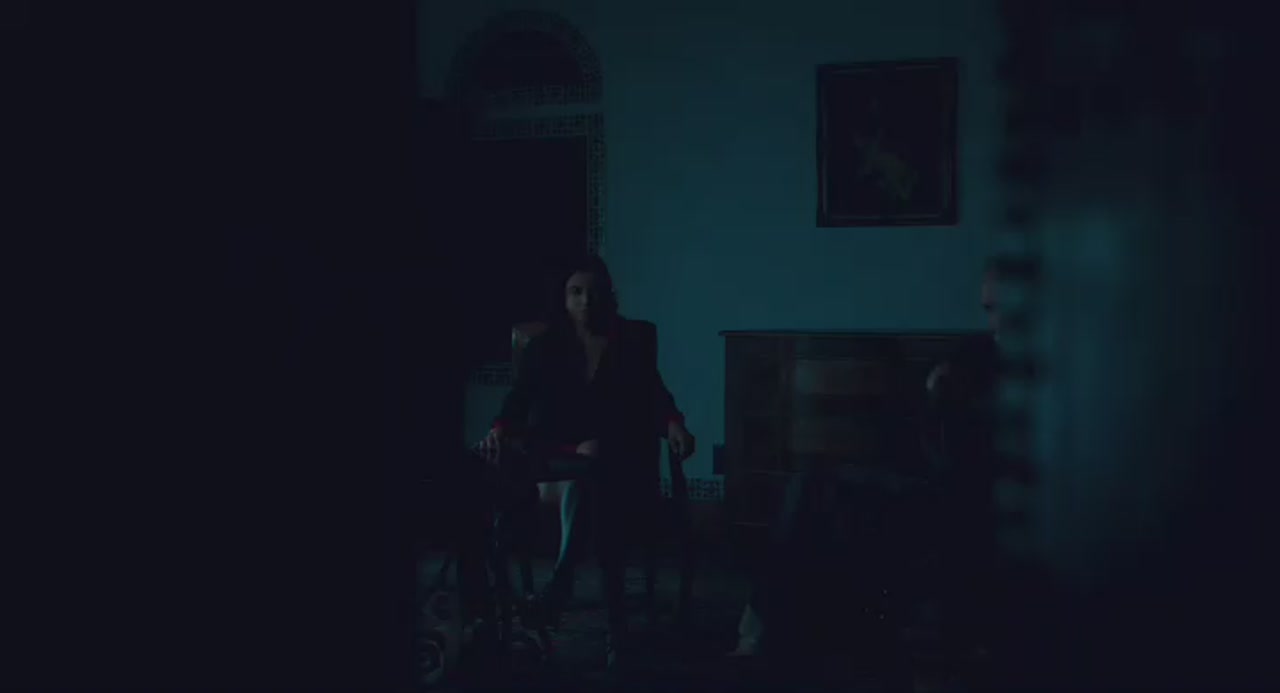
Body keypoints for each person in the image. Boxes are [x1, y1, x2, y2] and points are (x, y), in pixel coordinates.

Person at [730, 261, 1004, 672]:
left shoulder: (1042, 368)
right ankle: (761, 631)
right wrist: (938, 391)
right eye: (988, 309)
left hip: (968, 495)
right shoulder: (978, 352)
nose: (996, 320)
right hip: (925, 473)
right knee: (809, 488)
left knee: (836, 503)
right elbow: (927, 423)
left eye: (1002, 307)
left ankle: (770, 635)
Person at [473, 253, 695, 667]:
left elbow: (654, 395)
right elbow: (517, 402)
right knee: (586, 474)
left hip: (612, 465)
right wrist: (498, 430)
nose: (585, 301)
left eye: (594, 293)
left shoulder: (631, 342)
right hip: (554, 464)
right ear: (563, 298)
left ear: (610, 296)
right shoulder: (545, 348)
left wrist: (673, 424)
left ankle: (562, 589)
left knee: (596, 476)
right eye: (576, 292)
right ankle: (613, 625)